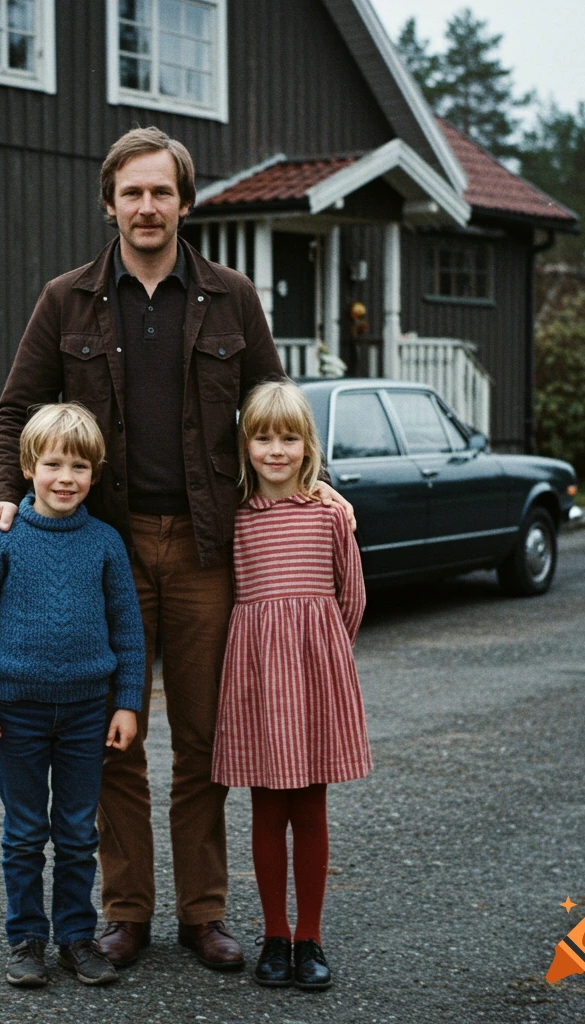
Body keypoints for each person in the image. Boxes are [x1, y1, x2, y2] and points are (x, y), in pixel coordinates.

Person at [0, 126, 354, 971]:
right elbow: (12, 413)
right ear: (109, 204)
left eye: (162, 192)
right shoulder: (65, 300)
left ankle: (205, 913)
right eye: (132, 193)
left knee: (207, 737)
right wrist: (0, 499)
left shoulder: (232, 297)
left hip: (209, 547)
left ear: (186, 202)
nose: (148, 207)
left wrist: (316, 481)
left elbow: (272, 410)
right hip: (101, 550)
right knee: (115, 734)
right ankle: (126, 911)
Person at [0, 403, 145, 988]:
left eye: (80, 466)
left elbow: (128, 629)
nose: (66, 477)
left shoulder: (105, 542)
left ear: (96, 473)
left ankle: (78, 938)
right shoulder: (2, 536)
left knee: (80, 831)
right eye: (53, 463)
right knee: (25, 830)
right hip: (18, 712)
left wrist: (127, 702)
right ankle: (26, 939)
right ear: (30, 466)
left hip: (89, 712)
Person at [211, 380, 372, 991]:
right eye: (262, 437)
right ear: (245, 445)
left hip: (313, 680)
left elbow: (350, 598)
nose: (275, 450)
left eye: (289, 438)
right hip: (257, 684)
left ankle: (310, 937)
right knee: (265, 807)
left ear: (308, 446)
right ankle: (274, 935)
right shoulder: (237, 518)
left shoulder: (331, 514)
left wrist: (322, 656)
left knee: (310, 806)